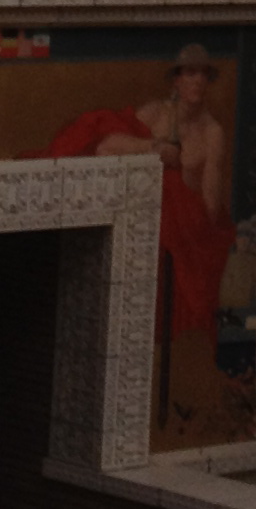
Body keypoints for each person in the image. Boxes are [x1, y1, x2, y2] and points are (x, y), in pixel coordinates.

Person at [47, 45, 236, 336]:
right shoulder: (156, 113)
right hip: (144, 221)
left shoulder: (213, 133)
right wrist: (154, 148)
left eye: (203, 74)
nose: (197, 80)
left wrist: (184, 187)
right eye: (190, 73)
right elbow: (106, 147)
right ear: (177, 80)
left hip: (183, 235)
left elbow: (210, 206)